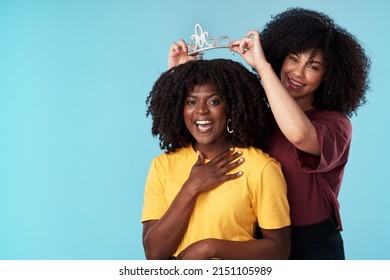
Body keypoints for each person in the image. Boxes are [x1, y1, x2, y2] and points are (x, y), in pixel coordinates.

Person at [168, 7, 371, 259]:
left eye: (313, 66)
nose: (298, 72)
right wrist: (178, 75)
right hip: (260, 238)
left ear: (328, 76)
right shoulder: (257, 115)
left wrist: (263, 68)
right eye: (294, 58)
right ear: (281, 56)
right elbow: (203, 129)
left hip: (312, 242)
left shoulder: (336, 125)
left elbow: (298, 134)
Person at [142, 59, 291, 260]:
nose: (201, 110)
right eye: (191, 102)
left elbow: (279, 250)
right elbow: (154, 254)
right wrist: (192, 187)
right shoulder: (162, 165)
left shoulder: (261, 167)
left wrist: (209, 248)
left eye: (214, 101)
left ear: (231, 106)